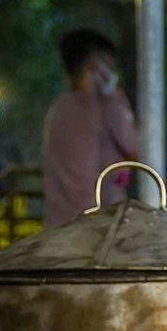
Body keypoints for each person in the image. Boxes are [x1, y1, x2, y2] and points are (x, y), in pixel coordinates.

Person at [40, 29, 137, 224]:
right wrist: (114, 96)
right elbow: (134, 146)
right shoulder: (106, 106)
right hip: (99, 225)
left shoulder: (59, 107)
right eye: (109, 66)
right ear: (95, 66)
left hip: (59, 223)